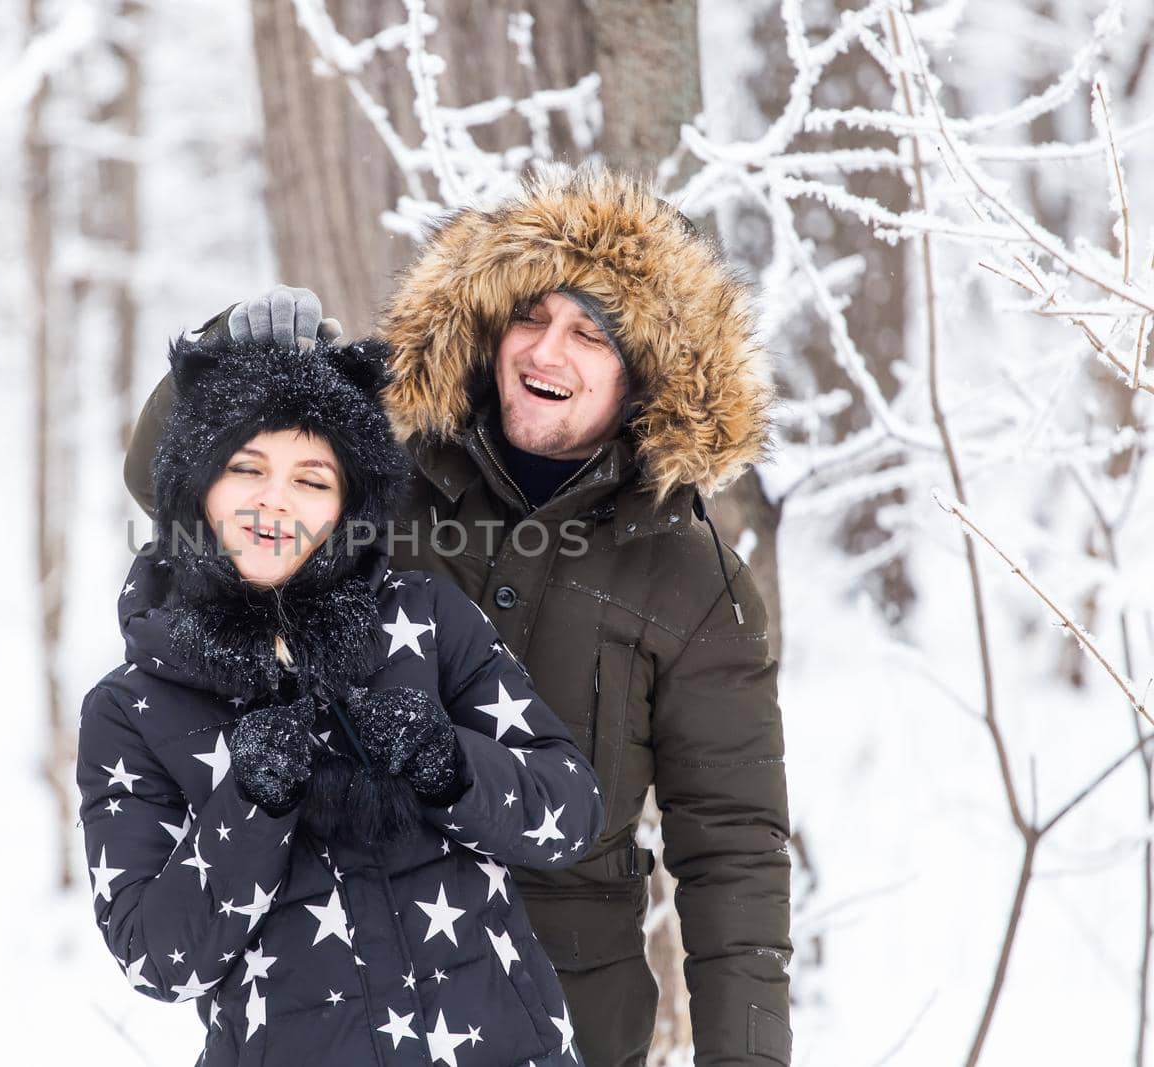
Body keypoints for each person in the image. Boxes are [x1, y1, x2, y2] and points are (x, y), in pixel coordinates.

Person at [124, 166, 793, 1066]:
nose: (546, 352)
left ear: (652, 377)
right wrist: (222, 364)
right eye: (531, 316)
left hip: (572, 1015)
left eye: (592, 334)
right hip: (339, 1003)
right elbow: (180, 492)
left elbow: (736, 854)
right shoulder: (383, 456)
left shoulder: (693, 576)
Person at [78, 330, 607, 1066]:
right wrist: (251, 804)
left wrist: (451, 764)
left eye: (313, 479)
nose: (275, 499)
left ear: (347, 505)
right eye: (245, 466)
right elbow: (160, 962)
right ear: (195, 484)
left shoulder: (425, 620)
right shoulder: (130, 709)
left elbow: (572, 816)